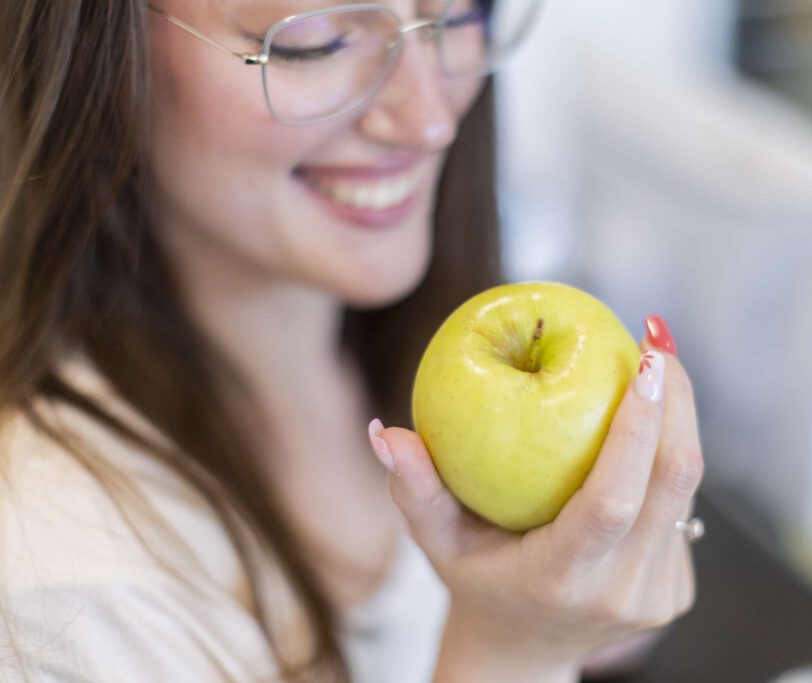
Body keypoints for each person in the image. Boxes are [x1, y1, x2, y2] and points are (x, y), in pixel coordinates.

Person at [0, 1, 704, 681]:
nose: (429, 119)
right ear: (101, 43)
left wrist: (599, 577)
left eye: (459, 11)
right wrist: (513, 652)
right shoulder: (61, 589)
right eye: (318, 38)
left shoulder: (416, 344)